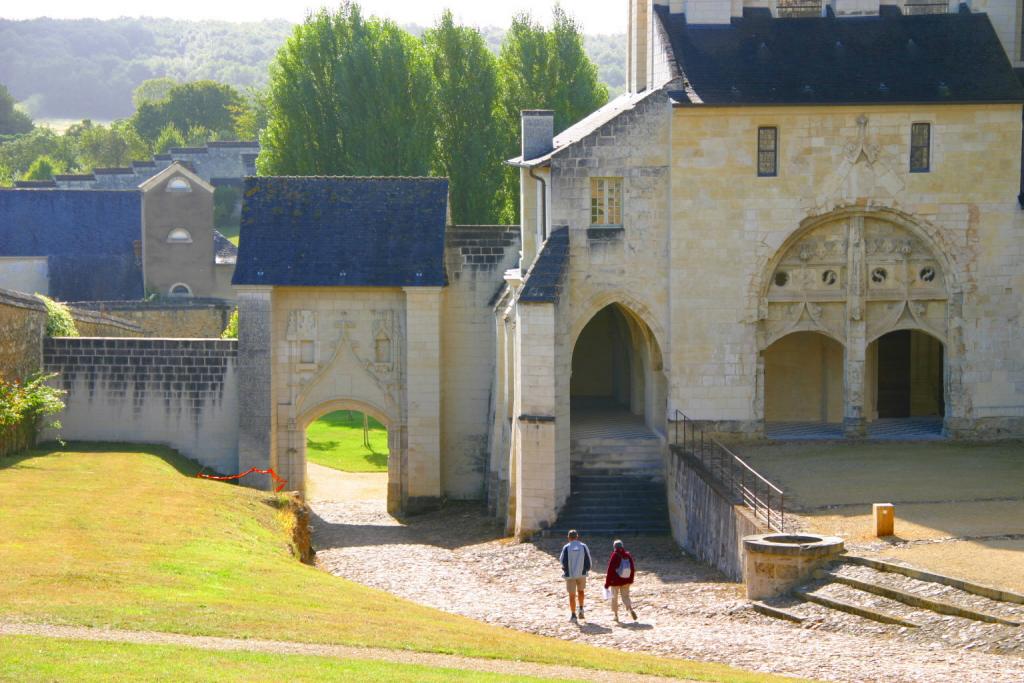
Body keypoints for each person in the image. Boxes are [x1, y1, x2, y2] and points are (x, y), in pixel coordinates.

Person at [558, 529, 592, 622]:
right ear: (577, 536)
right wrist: (586, 569)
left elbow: (561, 560)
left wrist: (565, 569)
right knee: (581, 591)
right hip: (581, 574)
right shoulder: (583, 546)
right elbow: (588, 559)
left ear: (568, 538)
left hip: (570, 575)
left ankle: (573, 615)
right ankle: (581, 609)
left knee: (572, 595)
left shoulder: (566, 547)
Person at [604, 539, 637, 622]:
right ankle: (630, 609)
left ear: (614, 547)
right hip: (626, 580)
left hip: (615, 582)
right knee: (625, 597)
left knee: (614, 598)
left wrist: (607, 583)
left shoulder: (614, 555)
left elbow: (610, 570)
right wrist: (630, 579)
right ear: (622, 546)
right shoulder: (627, 555)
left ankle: (616, 616)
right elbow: (632, 568)